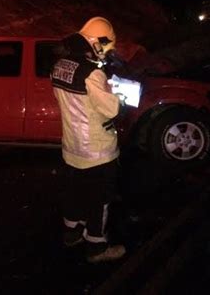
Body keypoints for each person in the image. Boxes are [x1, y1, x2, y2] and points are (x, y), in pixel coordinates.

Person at [50, 16, 126, 263]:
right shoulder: (93, 74)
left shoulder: (60, 66)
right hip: (97, 151)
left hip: (71, 148)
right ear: (96, 43)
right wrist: (118, 95)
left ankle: (72, 233)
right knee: (100, 199)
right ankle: (96, 246)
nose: (107, 52)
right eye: (106, 46)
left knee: (74, 193)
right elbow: (111, 109)